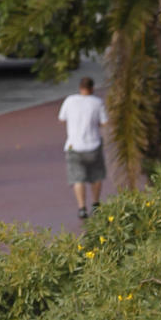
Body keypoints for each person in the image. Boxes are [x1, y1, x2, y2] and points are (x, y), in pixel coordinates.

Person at [57, 76, 108, 219]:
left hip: (74, 146)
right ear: (92, 88)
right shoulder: (97, 103)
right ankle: (96, 204)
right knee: (96, 175)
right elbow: (104, 122)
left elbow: (62, 119)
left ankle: (81, 208)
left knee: (77, 178)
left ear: (80, 88)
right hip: (93, 145)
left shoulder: (69, 100)